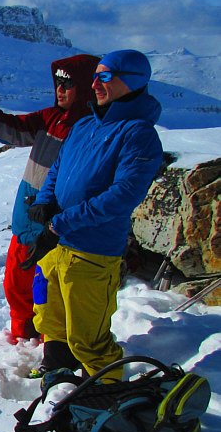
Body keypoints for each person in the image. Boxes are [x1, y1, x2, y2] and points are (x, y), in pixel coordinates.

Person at [21, 49, 164, 382]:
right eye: (95, 76)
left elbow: (122, 196)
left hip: (91, 251)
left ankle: (104, 397)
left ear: (132, 82)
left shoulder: (138, 135)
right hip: (56, 243)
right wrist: (45, 203)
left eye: (105, 76)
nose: (96, 84)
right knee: (49, 312)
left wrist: (59, 223)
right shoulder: (85, 124)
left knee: (89, 335)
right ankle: (56, 368)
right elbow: (58, 167)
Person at [0, 54, 100, 342]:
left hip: (55, 226)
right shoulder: (51, 118)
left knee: (48, 290)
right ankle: (24, 339)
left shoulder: (90, 129)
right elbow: (13, 129)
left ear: (86, 86)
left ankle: (52, 344)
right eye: (58, 82)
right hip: (26, 219)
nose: (60, 89)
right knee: (16, 284)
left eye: (68, 83)